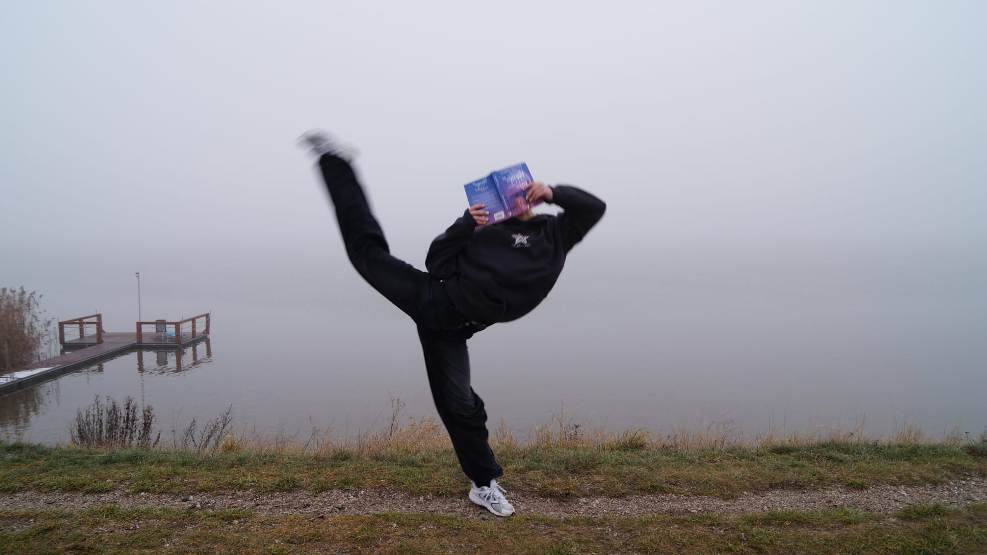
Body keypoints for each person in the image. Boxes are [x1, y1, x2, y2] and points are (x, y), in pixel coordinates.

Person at [300, 130, 606, 517]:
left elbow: (594, 208)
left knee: (461, 405)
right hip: (433, 301)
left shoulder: (555, 233)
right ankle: (335, 161)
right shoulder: (483, 232)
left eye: (518, 194)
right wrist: (465, 225)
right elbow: (437, 265)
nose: (511, 202)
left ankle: (483, 485)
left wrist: (554, 192)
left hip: (459, 328)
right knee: (367, 255)